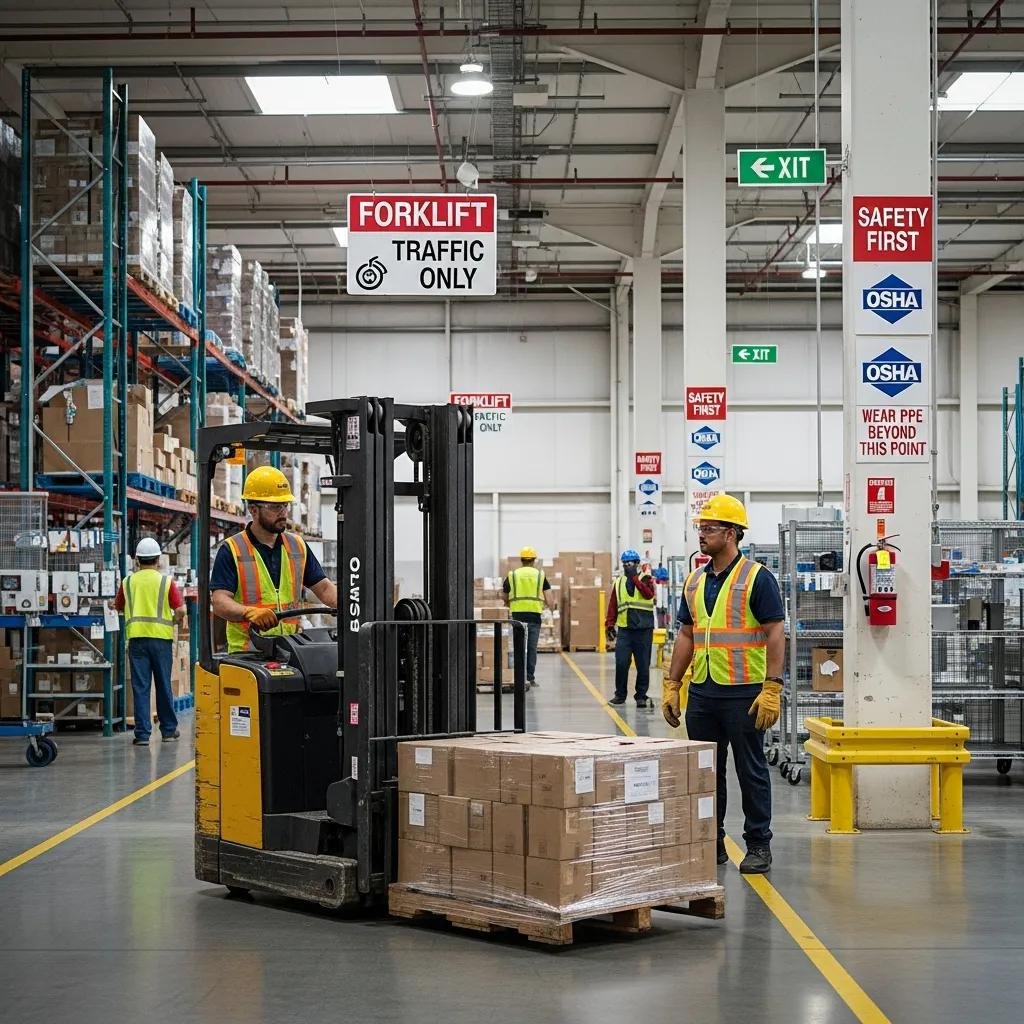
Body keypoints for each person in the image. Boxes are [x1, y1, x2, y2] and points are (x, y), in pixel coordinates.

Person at [661, 494, 785, 875]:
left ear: (731, 534)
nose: (702, 534)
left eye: (710, 528)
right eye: (700, 528)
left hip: (745, 692)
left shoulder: (757, 578)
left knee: (751, 770)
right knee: (705, 771)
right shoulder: (695, 580)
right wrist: (672, 682)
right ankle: (710, 840)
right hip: (704, 692)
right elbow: (686, 633)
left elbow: (776, 632)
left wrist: (772, 686)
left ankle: (758, 845)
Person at [210, 465, 337, 653]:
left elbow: (325, 589)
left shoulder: (297, 547)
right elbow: (220, 602)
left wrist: (354, 605)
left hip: (289, 650)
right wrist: (249, 612)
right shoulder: (232, 549)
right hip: (248, 653)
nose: (283, 513)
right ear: (253, 510)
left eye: (285, 505)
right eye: (276, 507)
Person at [113, 537, 187, 747]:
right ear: (158, 560)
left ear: (137, 560)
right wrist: (173, 620)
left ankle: (143, 734)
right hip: (161, 640)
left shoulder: (127, 582)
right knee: (164, 685)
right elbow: (181, 610)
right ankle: (168, 730)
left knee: (141, 687)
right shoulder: (165, 581)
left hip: (137, 640)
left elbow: (117, 606)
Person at [604, 549, 656, 708]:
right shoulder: (618, 582)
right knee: (621, 663)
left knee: (643, 665)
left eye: (630, 563)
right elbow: (613, 605)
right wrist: (609, 625)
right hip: (625, 630)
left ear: (637, 563)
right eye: (625, 563)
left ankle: (641, 696)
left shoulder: (645, 577)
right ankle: (620, 695)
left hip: (643, 629)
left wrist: (635, 579)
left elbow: (648, 594)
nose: (627, 566)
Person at [503, 546, 557, 689]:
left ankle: (517, 677)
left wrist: (510, 603)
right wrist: (551, 608)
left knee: (518, 648)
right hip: (534, 617)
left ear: (522, 560)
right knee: (531, 648)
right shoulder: (540, 575)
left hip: (517, 617)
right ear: (534, 561)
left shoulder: (512, 575)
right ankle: (530, 678)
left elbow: (504, 595)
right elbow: (549, 598)